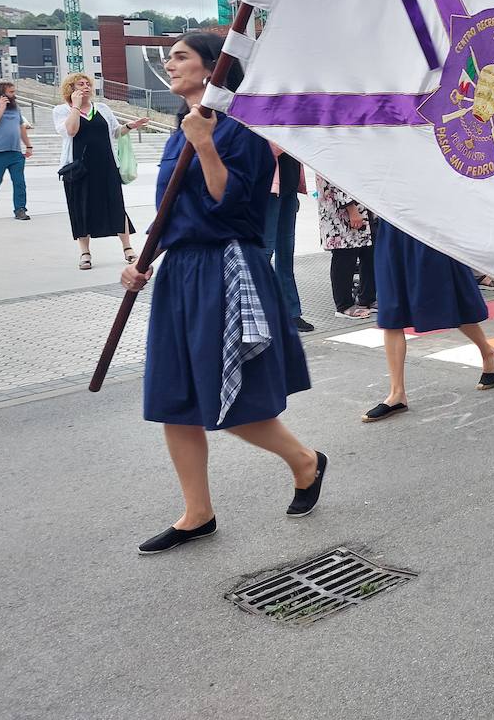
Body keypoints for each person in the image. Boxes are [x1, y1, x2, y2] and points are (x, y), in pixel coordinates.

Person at [120, 33, 323, 555]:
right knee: (174, 396)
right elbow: (172, 211)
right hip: (180, 274)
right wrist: (141, 264)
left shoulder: (242, 131)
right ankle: (197, 512)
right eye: (169, 57)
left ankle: (303, 461)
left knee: (229, 394)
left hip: (226, 267)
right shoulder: (176, 132)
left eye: (181, 56)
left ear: (215, 68)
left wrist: (205, 144)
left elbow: (232, 208)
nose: (170, 64)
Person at [363, 223, 494, 422]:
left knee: (449, 299)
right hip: (392, 229)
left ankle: (488, 352)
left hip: (427, 228)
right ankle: (397, 393)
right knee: (391, 311)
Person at [53, 72, 149, 269]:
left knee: (115, 203)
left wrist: (131, 126)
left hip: (105, 165)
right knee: (80, 208)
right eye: (81, 84)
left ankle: (127, 248)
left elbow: (115, 131)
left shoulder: (102, 108)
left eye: (88, 84)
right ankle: (85, 252)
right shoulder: (61, 110)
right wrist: (76, 107)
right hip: (78, 168)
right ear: (71, 89)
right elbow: (70, 131)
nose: (87, 87)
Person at [264, 145, 313, 332]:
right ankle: (263, 311)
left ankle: (292, 312)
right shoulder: (271, 121)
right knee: (265, 252)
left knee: (286, 252)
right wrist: (288, 139)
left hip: (289, 188)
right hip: (269, 190)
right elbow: (265, 148)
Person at [315, 173, 376, 319]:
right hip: (341, 208)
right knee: (345, 254)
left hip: (363, 203)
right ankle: (344, 305)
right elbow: (334, 175)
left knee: (369, 252)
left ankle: (367, 298)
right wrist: (351, 208)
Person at [0, 81, 33, 219]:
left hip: (15, 153)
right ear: (1, 93)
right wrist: (1, 107)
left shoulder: (16, 109)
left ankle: (20, 209)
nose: (14, 95)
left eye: (14, 92)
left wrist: (28, 146)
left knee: (19, 182)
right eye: (11, 92)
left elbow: (21, 127)